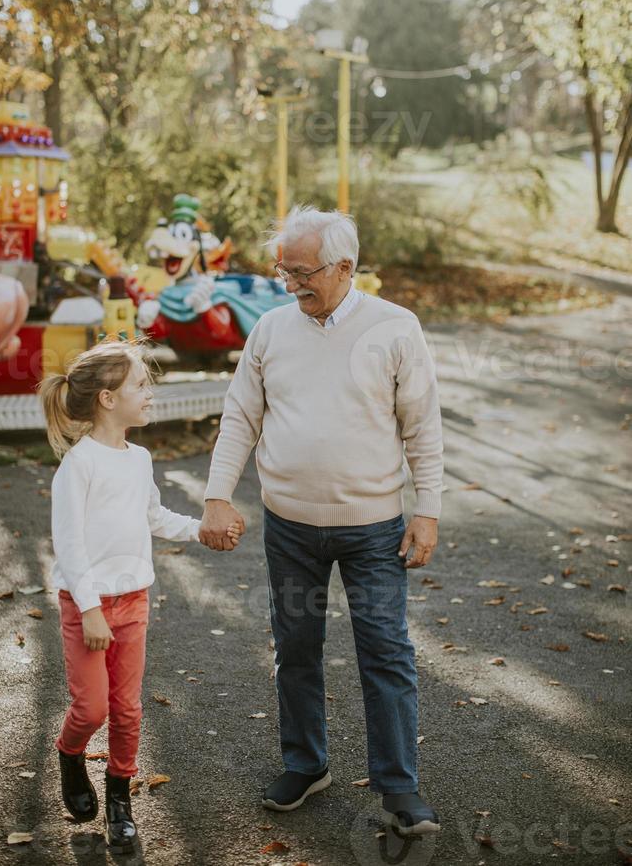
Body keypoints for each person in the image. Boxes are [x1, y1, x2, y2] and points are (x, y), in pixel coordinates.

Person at [199, 205, 444, 837]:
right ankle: (305, 765)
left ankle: (398, 787)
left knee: (385, 653)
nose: (291, 284)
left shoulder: (395, 328)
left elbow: (422, 427)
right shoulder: (272, 330)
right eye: (284, 271)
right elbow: (240, 417)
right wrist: (217, 495)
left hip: (373, 530)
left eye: (302, 272)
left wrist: (429, 511)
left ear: (344, 267)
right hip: (290, 528)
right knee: (296, 648)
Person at [38, 338, 243, 854]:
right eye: (140, 386)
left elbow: (152, 516)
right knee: (91, 711)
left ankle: (120, 805)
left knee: (127, 710)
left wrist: (201, 530)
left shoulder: (139, 458)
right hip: (86, 606)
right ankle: (69, 753)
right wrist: (88, 609)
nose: (149, 394)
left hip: (133, 603)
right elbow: (68, 543)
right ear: (108, 399)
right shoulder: (79, 465)